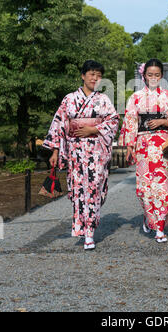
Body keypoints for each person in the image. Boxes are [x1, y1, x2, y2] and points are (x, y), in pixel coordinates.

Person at [43, 60, 119, 250]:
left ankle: (90, 231)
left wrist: (92, 129)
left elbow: (114, 121)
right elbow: (59, 125)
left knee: (93, 189)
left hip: (96, 152)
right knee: (78, 191)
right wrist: (55, 151)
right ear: (83, 75)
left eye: (99, 75)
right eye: (92, 74)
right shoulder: (69, 99)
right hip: (75, 152)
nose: (95, 78)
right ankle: (83, 230)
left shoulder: (103, 100)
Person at [119, 59, 168, 243]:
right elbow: (130, 123)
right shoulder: (135, 98)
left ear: (162, 76)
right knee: (145, 188)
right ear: (144, 75)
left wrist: (164, 122)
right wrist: (129, 146)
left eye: (157, 75)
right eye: (150, 75)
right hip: (143, 146)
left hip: (163, 146)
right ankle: (150, 218)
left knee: (163, 187)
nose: (153, 78)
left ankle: (159, 226)